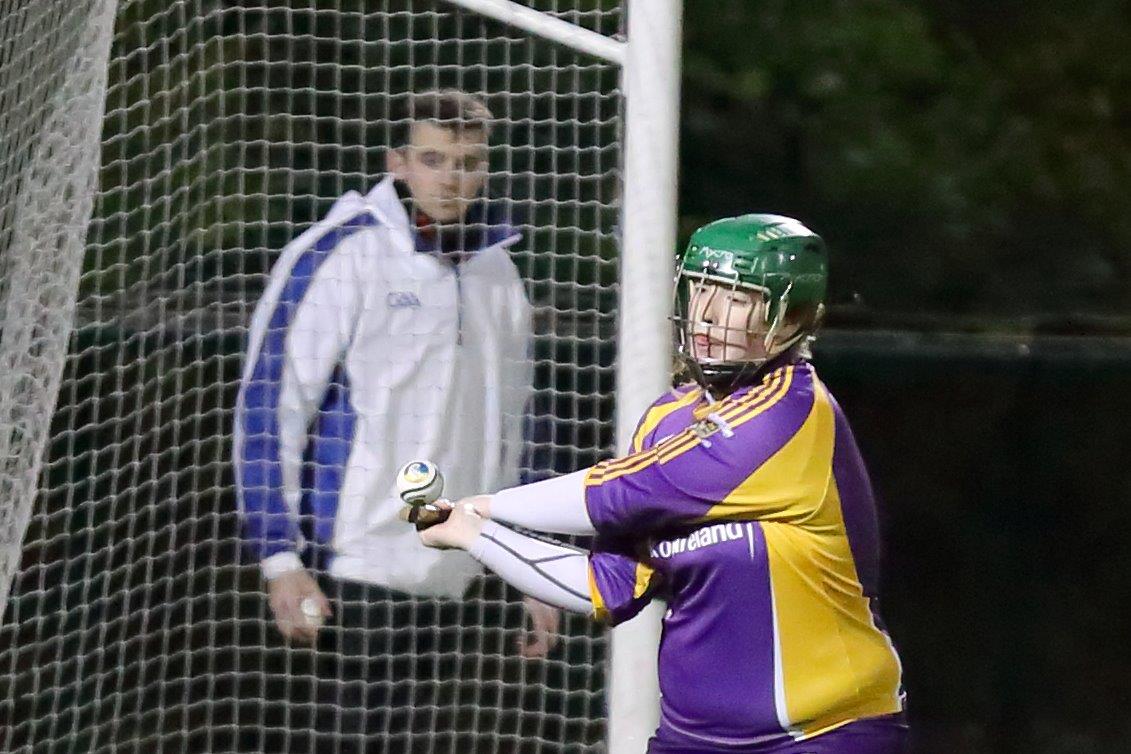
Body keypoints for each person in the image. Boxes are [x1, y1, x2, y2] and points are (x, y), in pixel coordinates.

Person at [411, 214, 908, 753]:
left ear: (791, 321)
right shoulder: (667, 422)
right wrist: (471, 532)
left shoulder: (791, 411)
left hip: (827, 734)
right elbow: (608, 588)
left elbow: (616, 496)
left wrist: (487, 503)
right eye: (703, 290)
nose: (709, 315)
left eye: (739, 298)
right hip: (691, 740)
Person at [234, 89, 559, 752]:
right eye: (434, 158)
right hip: (352, 564)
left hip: (459, 570)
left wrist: (533, 568)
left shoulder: (501, 271)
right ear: (398, 163)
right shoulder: (344, 252)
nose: (451, 177)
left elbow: (519, 429)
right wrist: (278, 556)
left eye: (467, 161)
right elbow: (273, 403)